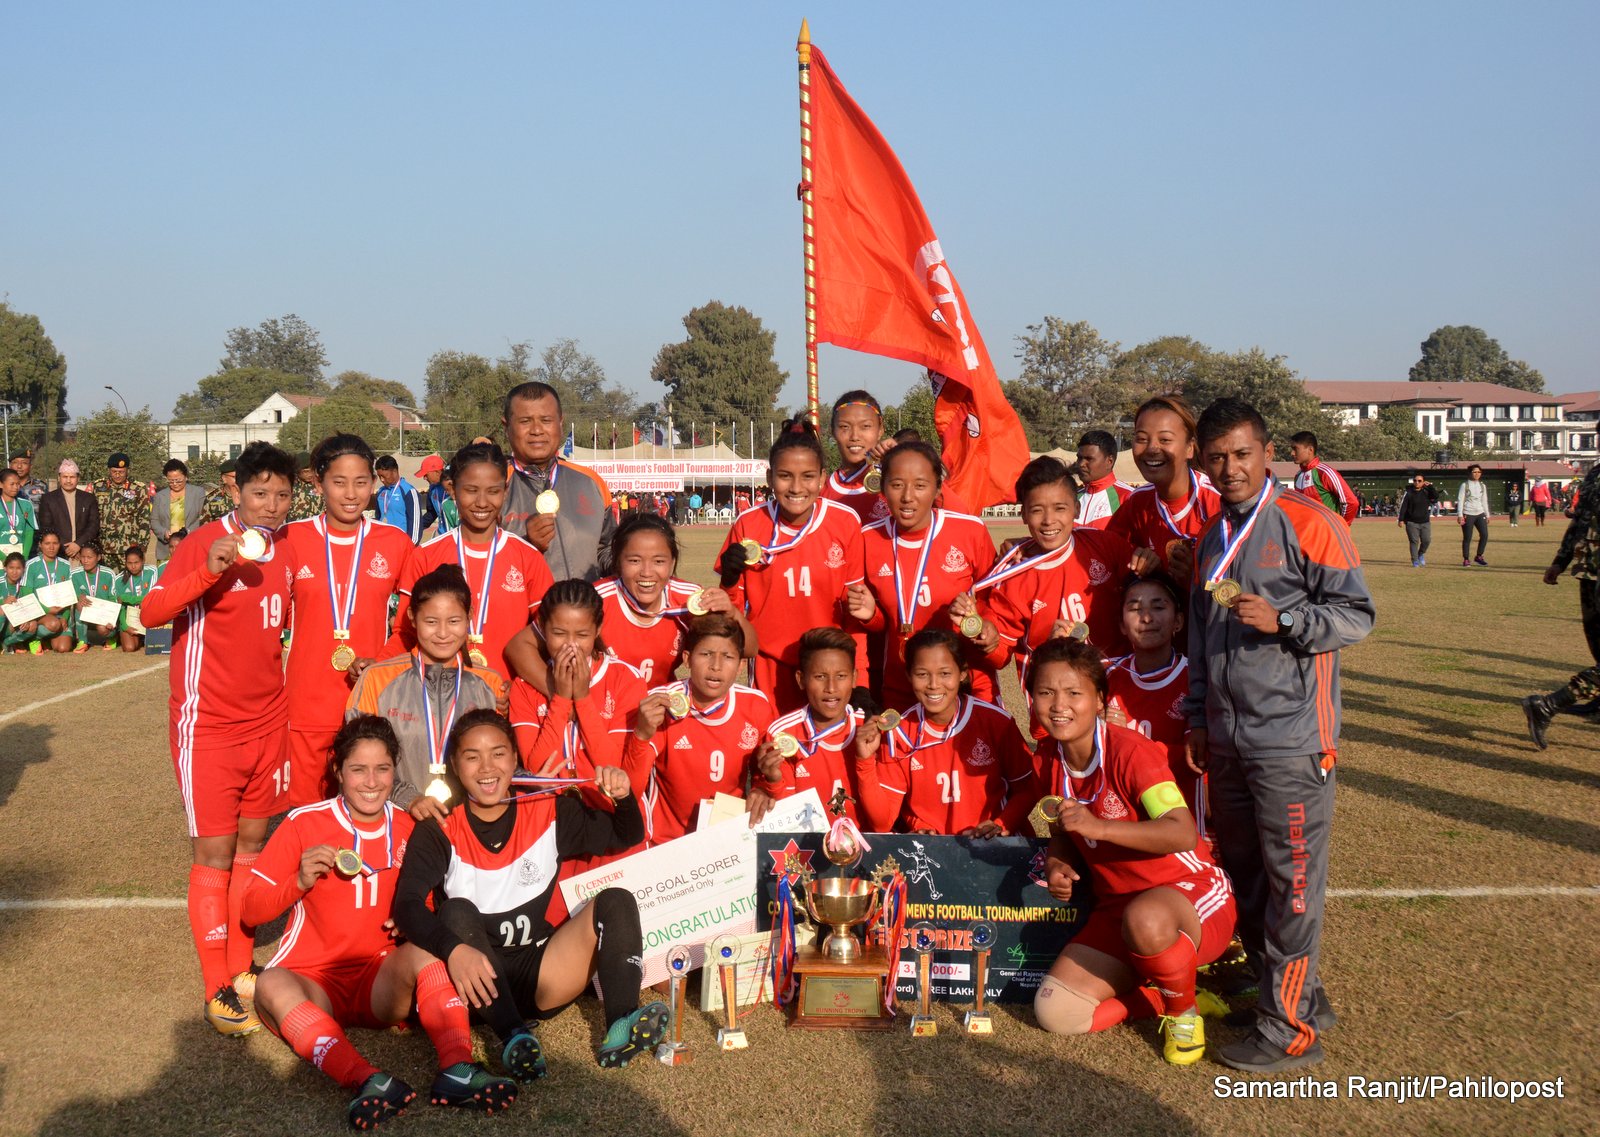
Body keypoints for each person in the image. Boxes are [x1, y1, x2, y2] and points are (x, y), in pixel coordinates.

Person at [1185, 398, 1374, 1072]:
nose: (1231, 468)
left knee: (1293, 882)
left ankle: (1289, 1027)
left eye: (1242, 454)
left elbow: (1356, 615)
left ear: (1267, 453)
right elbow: (1201, 635)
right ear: (1202, 463)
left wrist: (1287, 620)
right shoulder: (1213, 536)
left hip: (1293, 739)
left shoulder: (1307, 520)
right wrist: (1199, 715)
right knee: (1247, 876)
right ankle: (1295, 995)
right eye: (1217, 457)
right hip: (1230, 740)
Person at [244, 716, 518, 1127]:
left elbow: (426, 902)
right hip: (313, 980)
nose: (371, 781)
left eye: (382, 768)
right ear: (338, 772)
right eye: (358, 769)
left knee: (429, 952)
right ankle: (367, 1080)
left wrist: (411, 920)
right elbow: (250, 910)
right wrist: (297, 882)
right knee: (269, 983)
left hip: (381, 984)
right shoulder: (303, 823)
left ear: (395, 771)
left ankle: (458, 1068)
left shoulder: (412, 826)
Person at [392, 709, 669, 1080]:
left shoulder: (547, 807)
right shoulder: (440, 827)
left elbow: (626, 835)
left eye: (498, 753)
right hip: (476, 986)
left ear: (515, 759)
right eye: (472, 757)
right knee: (456, 910)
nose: (487, 767)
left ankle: (620, 1024)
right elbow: (407, 906)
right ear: (455, 766)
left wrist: (622, 796)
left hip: (542, 974)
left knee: (617, 899)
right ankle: (513, 1036)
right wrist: (454, 951)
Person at [140, 441, 297, 1036]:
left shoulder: (286, 549)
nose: (271, 505)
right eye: (260, 493)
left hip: (268, 724)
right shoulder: (205, 541)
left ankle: (239, 968)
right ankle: (216, 987)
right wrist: (210, 570)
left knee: (254, 848)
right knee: (215, 854)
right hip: (207, 727)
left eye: (282, 495)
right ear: (236, 491)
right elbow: (151, 612)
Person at [1029, 638, 1235, 1066]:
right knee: (1057, 1011)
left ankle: (1183, 1014)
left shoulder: (1132, 751)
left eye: (1074, 693)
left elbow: (1180, 832)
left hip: (1187, 894)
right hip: (1119, 909)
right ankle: (1166, 993)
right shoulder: (1048, 755)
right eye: (1046, 692)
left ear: (1100, 699)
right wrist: (1057, 859)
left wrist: (1100, 827)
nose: (1059, 705)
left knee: (1147, 916)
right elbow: (1065, 828)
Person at [277, 434, 417, 807]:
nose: (351, 493)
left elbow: (412, 621)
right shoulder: (291, 538)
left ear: (373, 485)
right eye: (339, 482)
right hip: (307, 699)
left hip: (372, 696)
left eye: (360, 482)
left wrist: (383, 660)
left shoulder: (395, 542)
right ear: (319, 483)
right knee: (309, 809)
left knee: (372, 803)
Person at [954, 457, 1134, 700]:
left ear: (1076, 509)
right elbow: (1000, 654)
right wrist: (985, 637)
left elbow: (1146, 586)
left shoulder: (1105, 545)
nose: (1049, 520)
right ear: (1023, 514)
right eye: (1037, 510)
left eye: (1060, 508)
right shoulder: (1013, 574)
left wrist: (1148, 560)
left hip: (1117, 690)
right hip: (1055, 700)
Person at [718, 420, 865, 715]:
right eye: (785, 476)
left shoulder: (845, 522)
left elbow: (855, 615)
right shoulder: (749, 523)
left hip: (830, 666)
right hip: (770, 664)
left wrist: (861, 677)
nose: (797, 487)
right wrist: (730, 581)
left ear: (823, 477)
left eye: (808, 476)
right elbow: (731, 609)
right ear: (770, 477)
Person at [347, 564, 506, 815]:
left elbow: (500, 762)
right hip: (396, 816)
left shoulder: (490, 685)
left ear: (470, 616)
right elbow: (356, 761)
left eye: (454, 621)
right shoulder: (377, 679)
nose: (442, 633)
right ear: (412, 617)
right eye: (431, 621)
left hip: (467, 823)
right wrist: (408, 798)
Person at [852, 442, 999, 710]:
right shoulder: (867, 539)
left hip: (967, 683)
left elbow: (996, 604)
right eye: (896, 485)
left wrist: (981, 621)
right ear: (882, 488)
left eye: (920, 485)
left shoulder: (969, 532)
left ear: (938, 489)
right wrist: (872, 616)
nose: (908, 496)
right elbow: (874, 623)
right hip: (900, 684)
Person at [390, 442, 555, 681]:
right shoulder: (425, 556)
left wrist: (523, 690)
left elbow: (547, 634)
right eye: (471, 490)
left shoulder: (528, 557)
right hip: (439, 701)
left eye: (493, 491)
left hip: (508, 701)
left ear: (505, 491)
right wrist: (376, 665)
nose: (482, 502)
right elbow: (404, 634)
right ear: (453, 491)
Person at [851, 628, 1036, 835]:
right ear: (909, 676)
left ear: (963, 673)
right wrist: (864, 762)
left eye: (945, 673)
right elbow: (882, 824)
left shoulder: (996, 721)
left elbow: (1028, 788)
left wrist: (1001, 825)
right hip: (933, 854)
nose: (933, 684)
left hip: (991, 847)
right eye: (922, 674)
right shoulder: (898, 734)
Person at [534, 513, 739, 689]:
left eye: (659, 561)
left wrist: (731, 613)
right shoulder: (595, 599)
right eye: (634, 560)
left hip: (659, 716)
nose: (647, 572)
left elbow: (745, 647)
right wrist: (556, 692)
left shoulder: (689, 599)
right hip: (603, 716)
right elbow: (520, 646)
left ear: (672, 562)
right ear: (617, 562)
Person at [627, 614, 775, 843]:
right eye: (706, 654)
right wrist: (641, 735)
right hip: (666, 841)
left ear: (740, 665)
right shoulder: (662, 704)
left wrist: (762, 788)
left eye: (727, 656)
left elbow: (766, 770)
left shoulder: (756, 705)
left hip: (729, 834)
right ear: (687, 659)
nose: (715, 666)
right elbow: (633, 785)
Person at [749, 627, 866, 825]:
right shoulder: (781, 734)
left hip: (867, 845)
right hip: (807, 847)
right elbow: (785, 817)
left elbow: (883, 821)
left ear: (854, 678)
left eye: (841, 676)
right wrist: (773, 781)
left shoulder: (868, 728)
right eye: (820, 676)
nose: (831, 688)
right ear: (801, 680)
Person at [499, 382, 615, 581]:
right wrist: (527, 544)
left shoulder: (590, 483)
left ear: (560, 423)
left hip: (587, 610)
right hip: (525, 611)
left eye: (546, 420)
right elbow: (477, 564)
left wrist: (631, 558)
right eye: (525, 421)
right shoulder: (494, 487)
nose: (537, 430)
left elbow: (606, 550)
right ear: (506, 426)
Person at [1521, 461, 1600, 748]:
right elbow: (1579, 520)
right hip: (1591, 568)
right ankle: (1549, 704)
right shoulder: (1595, 475)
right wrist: (1560, 560)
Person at [1106, 395, 1221, 584]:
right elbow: (1108, 557)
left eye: (1165, 439)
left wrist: (1197, 576)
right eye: (1141, 438)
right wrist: (1136, 562)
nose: (1152, 448)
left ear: (1190, 448)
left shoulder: (1216, 501)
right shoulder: (1137, 503)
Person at [823, 390, 894, 526]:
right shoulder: (819, 492)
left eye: (865, 426)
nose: (855, 436)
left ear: (880, 430)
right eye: (844, 427)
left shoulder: (897, 484)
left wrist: (901, 462)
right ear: (833, 431)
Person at [36, 458, 101, 563]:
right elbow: (46, 526)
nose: (68, 480)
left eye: (72, 477)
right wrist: (65, 546)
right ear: (59, 477)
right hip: (59, 553)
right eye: (65, 477)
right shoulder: (48, 499)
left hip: (83, 553)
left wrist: (78, 544)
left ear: (78, 478)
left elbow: (94, 525)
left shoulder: (88, 498)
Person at [1288, 432, 1359, 525]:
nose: (1292, 453)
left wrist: (1341, 527)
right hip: (1307, 536)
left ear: (1310, 450)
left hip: (1327, 536)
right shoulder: (1298, 476)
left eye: (1295, 449)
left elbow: (1351, 502)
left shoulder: (1325, 473)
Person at [94, 452, 151, 561]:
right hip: (104, 548)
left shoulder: (138, 489)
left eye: (121, 472)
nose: (117, 475)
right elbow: (92, 516)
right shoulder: (98, 487)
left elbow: (144, 519)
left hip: (130, 548)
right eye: (114, 472)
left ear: (127, 470)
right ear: (109, 470)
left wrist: (142, 546)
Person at [24, 530, 75, 652]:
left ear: (59, 544)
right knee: (53, 624)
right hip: (39, 612)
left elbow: (69, 596)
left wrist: (64, 617)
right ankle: (34, 638)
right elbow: (26, 595)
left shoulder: (66, 565)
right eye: (47, 543)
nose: (51, 547)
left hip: (60, 613)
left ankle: (47, 639)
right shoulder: (31, 565)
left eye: (55, 543)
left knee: (63, 648)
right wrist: (47, 610)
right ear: (40, 545)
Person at [1075, 430, 1133, 530]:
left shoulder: (1129, 498)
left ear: (1109, 461)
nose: (1081, 464)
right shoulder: (1071, 498)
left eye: (1089, 459)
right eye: (1079, 458)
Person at [69, 541, 119, 652]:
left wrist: (111, 618)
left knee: (103, 629)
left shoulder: (109, 573)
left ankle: (111, 638)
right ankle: (82, 641)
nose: (85, 560)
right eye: (83, 557)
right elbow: (70, 595)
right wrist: (78, 597)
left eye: (89, 557)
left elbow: (113, 599)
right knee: (80, 604)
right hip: (86, 612)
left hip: (104, 613)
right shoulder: (74, 574)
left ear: (99, 557)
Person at [152, 459, 206, 561]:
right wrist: (164, 533)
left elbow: (203, 518)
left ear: (186, 477)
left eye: (178, 480)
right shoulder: (160, 496)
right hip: (166, 550)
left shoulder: (198, 493)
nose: (175, 484)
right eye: (171, 481)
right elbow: (154, 521)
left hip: (191, 546)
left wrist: (189, 531)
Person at [116, 545, 159, 652]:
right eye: (129, 563)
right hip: (130, 619)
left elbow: (150, 598)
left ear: (143, 560)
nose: (133, 566)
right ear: (125, 562)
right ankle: (137, 637)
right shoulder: (118, 579)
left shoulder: (152, 571)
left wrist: (126, 598)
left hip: (148, 614)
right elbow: (120, 607)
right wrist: (125, 627)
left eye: (136, 562)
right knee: (129, 648)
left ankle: (143, 635)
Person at [374, 455, 423, 542]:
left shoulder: (409, 491)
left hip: (401, 545)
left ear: (394, 471)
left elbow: (416, 525)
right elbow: (378, 517)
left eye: (384, 476)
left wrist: (410, 548)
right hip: (382, 543)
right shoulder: (381, 492)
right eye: (379, 476)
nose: (381, 479)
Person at [0, 551, 41, 652]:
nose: (14, 572)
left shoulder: (26, 583)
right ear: (5, 568)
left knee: (32, 624)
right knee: (1, 611)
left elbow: (30, 606)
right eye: (11, 568)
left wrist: (27, 619)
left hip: (13, 624)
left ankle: (7, 643)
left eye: (18, 568)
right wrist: (3, 604)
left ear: (23, 569)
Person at [1396, 473, 1438, 567]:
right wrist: (1401, 519)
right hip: (1411, 522)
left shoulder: (1426, 492)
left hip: (1425, 522)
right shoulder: (1409, 492)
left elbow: (1435, 497)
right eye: (1415, 480)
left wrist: (1430, 486)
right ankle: (1415, 560)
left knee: (1426, 540)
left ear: (1423, 482)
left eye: (1419, 481)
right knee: (1414, 541)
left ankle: (1420, 554)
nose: (1417, 482)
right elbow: (1404, 506)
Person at [0, 468, 39, 559]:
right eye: (12, 484)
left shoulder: (26, 505)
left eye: (18, 484)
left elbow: (29, 533)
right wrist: (4, 559)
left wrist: (24, 558)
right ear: (1, 484)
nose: (16, 487)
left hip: (20, 559)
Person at [1457, 463, 1490, 567]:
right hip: (1468, 513)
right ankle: (1466, 559)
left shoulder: (1482, 486)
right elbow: (1460, 500)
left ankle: (1479, 556)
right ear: (1470, 473)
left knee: (1484, 535)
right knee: (1467, 537)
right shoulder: (1465, 485)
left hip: (1480, 513)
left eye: (1479, 472)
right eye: (1474, 472)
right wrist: (1460, 515)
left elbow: (1484, 500)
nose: (1477, 474)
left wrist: (1487, 514)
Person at [415, 454, 452, 538]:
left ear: (437, 472)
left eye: (426, 474)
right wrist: (416, 528)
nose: (424, 478)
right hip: (441, 534)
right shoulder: (432, 489)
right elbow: (431, 514)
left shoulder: (454, 486)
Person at [289, 452, 323, 522]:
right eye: (306, 472)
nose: (310, 474)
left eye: (312, 471)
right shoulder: (290, 487)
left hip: (316, 528)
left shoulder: (320, 486)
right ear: (298, 471)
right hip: (294, 527)